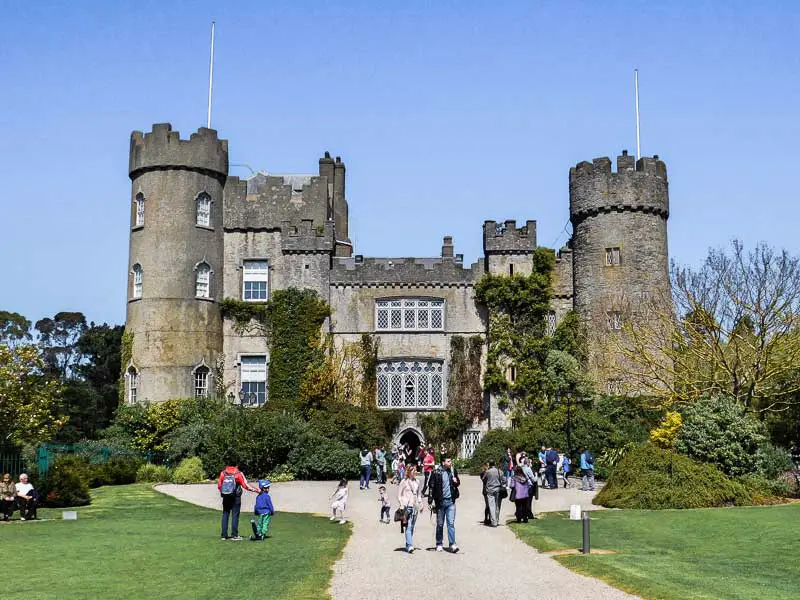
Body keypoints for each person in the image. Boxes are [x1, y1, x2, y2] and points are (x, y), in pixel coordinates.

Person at [427, 455, 460, 553]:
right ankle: (439, 543)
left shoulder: (453, 471)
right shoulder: (436, 472)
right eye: (448, 461)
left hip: (451, 502)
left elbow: (458, 483)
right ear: (443, 463)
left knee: (451, 523)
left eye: (450, 461)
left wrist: (456, 481)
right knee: (440, 524)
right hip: (440, 502)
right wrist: (430, 501)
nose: (451, 463)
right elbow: (431, 487)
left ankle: (452, 544)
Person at [217, 461, 258, 540]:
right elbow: (245, 485)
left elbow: (219, 485)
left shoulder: (223, 473)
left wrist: (223, 492)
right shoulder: (238, 473)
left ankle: (224, 535)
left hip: (226, 496)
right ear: (236, 465)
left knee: (225, 514)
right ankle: (234, 535)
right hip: (235, 497)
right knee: (235, 515)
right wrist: (256, 490)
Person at [398, 465, 423, 553]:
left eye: (416, 471)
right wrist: (401, 504)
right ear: (409, 472)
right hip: (407, 507)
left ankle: (408, 543)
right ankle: (410, 545)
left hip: (415, 506)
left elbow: (419, 494)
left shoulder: (417, 482)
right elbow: (399, 495)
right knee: (408, 526)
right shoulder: (404, 482)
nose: (415, 472)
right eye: (413, 471)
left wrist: (421, 503)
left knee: (412, 526)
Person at [481, 459, 505, 527]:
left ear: (490, 464)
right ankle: (496, 520)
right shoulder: (500, 471)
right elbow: (504, 480)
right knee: (497, 505)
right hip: (498, 489)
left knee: (491, 506)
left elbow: (483, 479)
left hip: (490, 490)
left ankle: (493, 522)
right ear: (495, 463)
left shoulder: (488, 472)